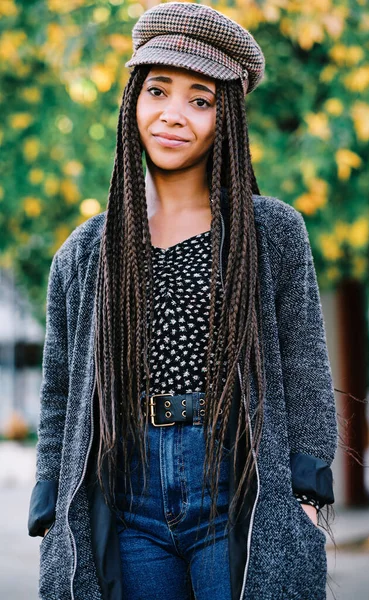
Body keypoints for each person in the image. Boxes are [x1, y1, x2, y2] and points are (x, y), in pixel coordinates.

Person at [28, 2, 338, 599]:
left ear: (227, 119)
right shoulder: (88, 250)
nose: (174, 115)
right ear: (132, 104)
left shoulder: (270, 232)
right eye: (158, 91)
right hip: (128, 494)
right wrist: (49, 496)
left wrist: (307, 486)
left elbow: (304, 362)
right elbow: (60, 388)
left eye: (200, 100)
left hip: (237, 485)